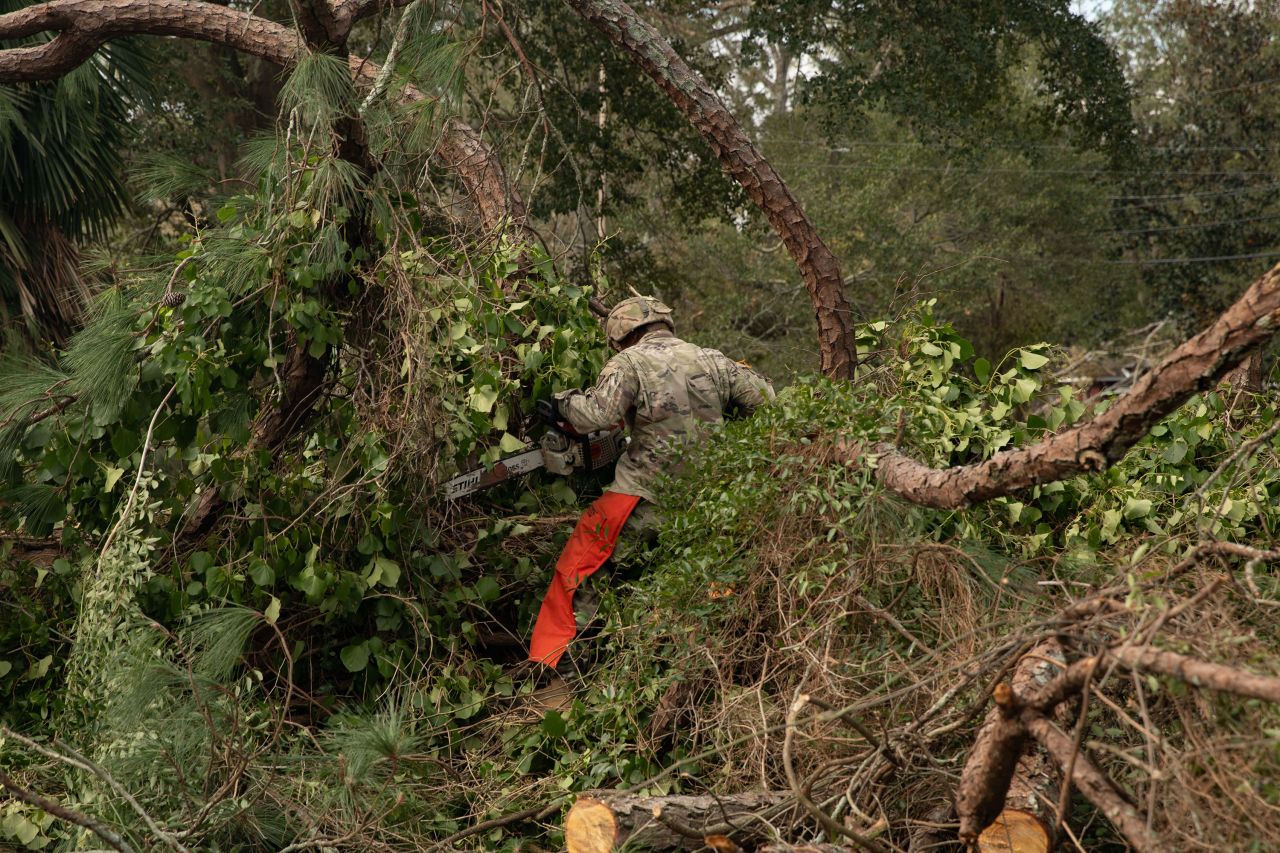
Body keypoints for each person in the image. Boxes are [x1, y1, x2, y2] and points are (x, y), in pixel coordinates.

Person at [525, 295, 774, 708]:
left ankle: (562, 687)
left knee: (580, 575)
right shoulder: (713, 359)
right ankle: (711, 685)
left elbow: (599, 414)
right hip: (706, 504)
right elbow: (766, 400)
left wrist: (562, 405)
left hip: (641, 496)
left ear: (622, 334)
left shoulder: (630, 363)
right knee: (705, 590)